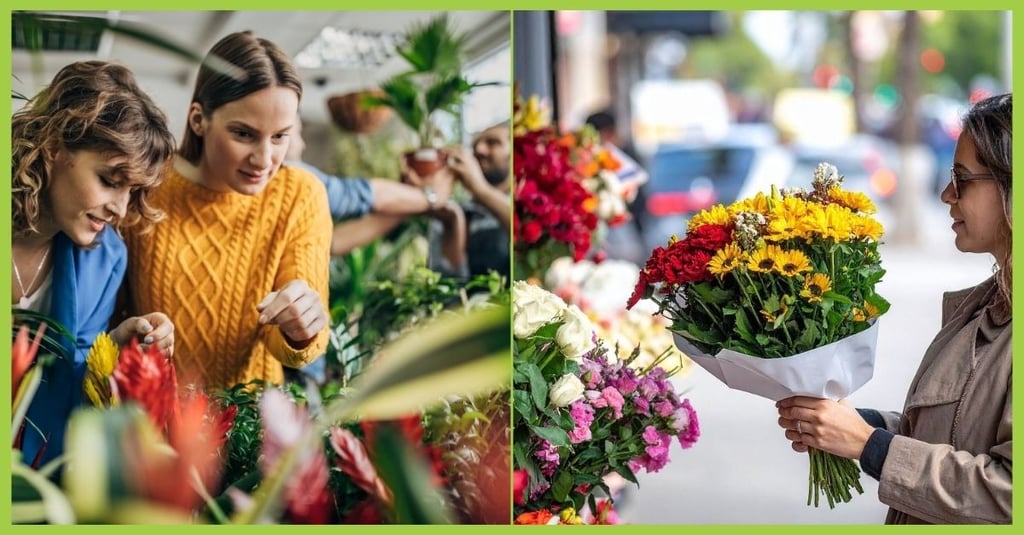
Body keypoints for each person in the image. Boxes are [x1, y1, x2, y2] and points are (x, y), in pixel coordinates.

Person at [776, 93, 1012, 524]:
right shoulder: (988, 303)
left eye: (962, 179)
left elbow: (1008, 497)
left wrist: (870, 445)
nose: (946, 194)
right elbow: (957, 434)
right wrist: (851, 426)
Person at [121, 31, 333, 389]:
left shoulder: (301, 195)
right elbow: (113, 317)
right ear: (198, 119)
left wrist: (302, 327)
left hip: (251, 417)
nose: (264, 159)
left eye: (280, 136)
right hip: (151, 411)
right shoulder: (145, 185)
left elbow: (299, 345)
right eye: (244, 134)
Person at [12, 61, 177, 466]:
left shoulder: (107, 259)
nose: (119, 208)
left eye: (131, 190)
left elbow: (70, 384)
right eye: (109, 181)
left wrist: (115, 347)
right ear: (53, 146)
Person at [284, 117, 455, 256]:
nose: (302, 145)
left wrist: (411, 203)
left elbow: (331, 243)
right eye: (298, 133)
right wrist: (430, 196)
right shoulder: (289, 175)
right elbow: (353, 195)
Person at [420, 123, 512, 282]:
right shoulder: (452, 213)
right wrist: (453, 221)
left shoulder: (524, 206)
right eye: (475, 146)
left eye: (492, 143)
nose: (479, 150)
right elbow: (444, 283)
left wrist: (481, 189)